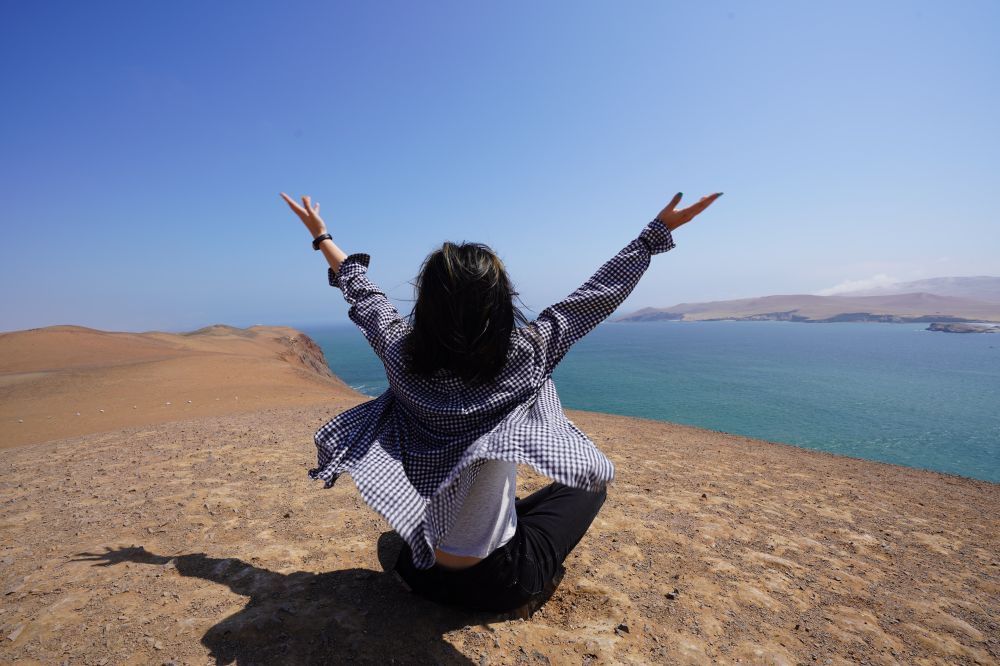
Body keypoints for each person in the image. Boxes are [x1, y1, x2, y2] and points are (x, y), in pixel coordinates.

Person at [280, 189, 723, 616]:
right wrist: (653, 235)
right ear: (501, 302)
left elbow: (365, 295)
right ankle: (530, 587)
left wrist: (322, 236)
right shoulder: (529, 354)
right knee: (587, 486)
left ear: (427, 303)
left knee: (399, 539)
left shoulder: (399, 355)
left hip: (420, 573)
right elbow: (594, 298)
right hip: (499, 584)